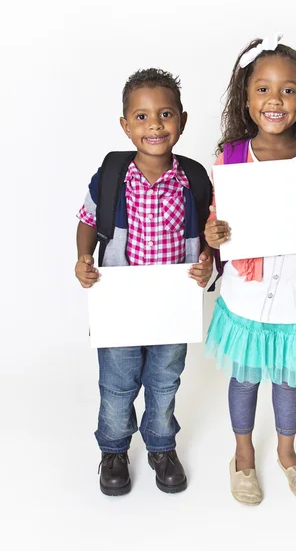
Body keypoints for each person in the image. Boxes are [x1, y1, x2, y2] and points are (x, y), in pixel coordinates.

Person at [205, 34, 296, 505]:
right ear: (246, 99)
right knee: (244, 378)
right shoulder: (230, 158)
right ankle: (243, 455)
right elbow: (216, 220)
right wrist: (215, 235)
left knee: (289, 379)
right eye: (263, 88)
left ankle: (287, 454)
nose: (275, 99)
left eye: (288, 89)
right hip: (247, 296)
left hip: (295, 297)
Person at [75, 68, 213, 496]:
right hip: (120, 303)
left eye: (165, 114)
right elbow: (87, 219)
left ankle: (160, 446)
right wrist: (82, 257)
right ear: (125, 125)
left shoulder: (194, 180)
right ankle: (114, 449)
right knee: (117, 383)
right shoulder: (113, 175)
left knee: (165, 380)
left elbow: (212, 235)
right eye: (141, 116)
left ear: (182, 121)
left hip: (172, 306)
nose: (154, 124)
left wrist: (208, 262)